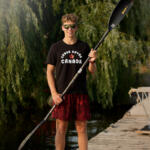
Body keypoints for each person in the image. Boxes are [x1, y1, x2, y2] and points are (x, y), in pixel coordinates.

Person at [46, 13, 97, 150]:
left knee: (81, 128)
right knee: (61, 128)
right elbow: (49, 72)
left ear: (76, 28)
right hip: (62, 94)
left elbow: (92, 71)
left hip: (80, 92)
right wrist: (54, 93)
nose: (69, 29)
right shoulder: (55, 48)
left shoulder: (84, 47)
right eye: (66, 26)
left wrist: (92, 61)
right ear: (62, 28)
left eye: (72, 26)